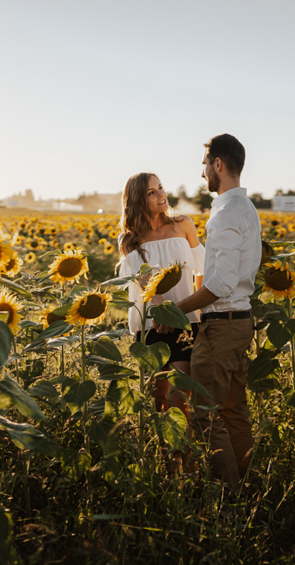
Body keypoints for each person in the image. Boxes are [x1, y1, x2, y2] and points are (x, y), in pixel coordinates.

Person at [157, 133, 261, 490]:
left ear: (218, 164)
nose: (203, 174)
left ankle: (228, 500)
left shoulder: (225, 216)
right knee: (233, 412)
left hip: (221, 327)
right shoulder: (245, 209)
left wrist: (174, 311)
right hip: (240, 322)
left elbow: (219, 286)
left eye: (205, 165)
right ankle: (249, 488)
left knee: (205, 416)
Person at [117, 172, 204, 423]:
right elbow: (144, 283)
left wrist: (202, 312)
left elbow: (201, 270)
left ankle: (187, 459)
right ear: (136, 201)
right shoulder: (129, 239)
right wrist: (163, 312)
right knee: (158, 401)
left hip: (186, 321)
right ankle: (168, 461)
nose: (161, 194)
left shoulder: (183, 224)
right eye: (151, 192)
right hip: (150, 324)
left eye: (161, 188)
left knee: (180, 399)